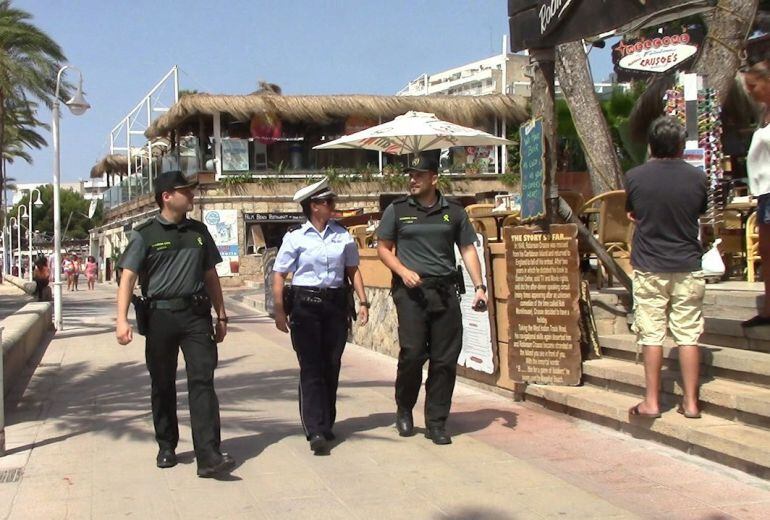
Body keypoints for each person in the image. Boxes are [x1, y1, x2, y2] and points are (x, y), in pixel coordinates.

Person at [115, 170, 235, 477]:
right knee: (163, 383)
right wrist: (121, 320)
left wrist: (221, 315)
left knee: (202, 381)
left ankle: (208, 455)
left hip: (195, 316)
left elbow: (210, 276)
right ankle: (167, 445)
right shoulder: (145, 235)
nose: (192, 195)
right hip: (159, 318)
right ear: (167, 196)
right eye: (186, 191)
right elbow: (127, 277)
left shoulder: (199, 232)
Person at [376, 152, 488, 445]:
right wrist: (402, 270)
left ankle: (437, 421)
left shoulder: (454, 211)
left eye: (419, 175)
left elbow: (467, 249)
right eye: (410, 175)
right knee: (412, 354)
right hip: (411, 293)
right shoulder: (397, 210)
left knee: (444, 359)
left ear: (434, 178)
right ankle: (404, 407)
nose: (412, 180)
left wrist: (479, 285)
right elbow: (383, 248)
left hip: (445, 290)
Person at [272, 177, 369, 454]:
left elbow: (353, 269)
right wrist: (279, 311)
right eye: (329, 202)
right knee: (311, 366)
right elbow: (279, 274)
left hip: (335, 304)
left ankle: (327, 422)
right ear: (314, 206)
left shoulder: (342, 235)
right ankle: (314, 428)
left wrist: (363, 302)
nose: (333, 206)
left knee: (332, 364)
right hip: (305, 305)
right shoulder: (295, 237)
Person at [625, 116, 707, 419]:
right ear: (681, 147)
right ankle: (691, 403)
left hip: (650, 263)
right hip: (687, 262)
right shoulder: (697, 177)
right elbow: (698, 212)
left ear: (650, 145)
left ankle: (652, 401)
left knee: (652, 334)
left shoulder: (635, 176)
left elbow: (633, 212)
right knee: (687, 335)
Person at [741, 57, 770, 327]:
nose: (750, 90)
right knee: (766, 249)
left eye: (753, 85)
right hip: (763, 192)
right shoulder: (765, 113)